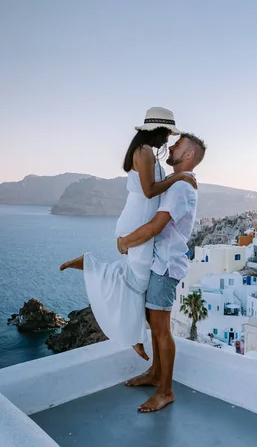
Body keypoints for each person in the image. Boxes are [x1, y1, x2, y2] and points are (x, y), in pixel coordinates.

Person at [59, 107, 196, 360]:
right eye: (166, 133)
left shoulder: (146, 152)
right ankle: (132, 334)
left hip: (139, 219)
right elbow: (149, 190)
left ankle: (131, 331)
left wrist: (179, 180)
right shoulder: (143, 151)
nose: (167, 139)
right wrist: (180, 178)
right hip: (137, 221)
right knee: (137, 282)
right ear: (156, 130)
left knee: (135, 281)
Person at [117, 132, 206, 413]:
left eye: (178, 145)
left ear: (189, 155)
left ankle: (165, 391)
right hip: (159, 263)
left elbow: (156, 226)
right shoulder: (177, 184)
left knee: (161, 329)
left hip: (166, 265)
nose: (172, 146)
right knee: (155, 327)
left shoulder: (181, 189)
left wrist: (125, 241)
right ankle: (156, 373)